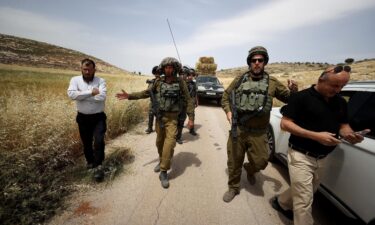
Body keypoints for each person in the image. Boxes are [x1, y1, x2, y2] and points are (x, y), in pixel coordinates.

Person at [271, 65, 367, 225]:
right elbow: (285, 124)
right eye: (334, 85)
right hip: (300, 156)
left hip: (323, 158)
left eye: (342, 86)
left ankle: (281, 202)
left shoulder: (341, 102)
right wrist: (316, 136)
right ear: (321, 79)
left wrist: (350, 135)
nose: (338, 90)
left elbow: (343, 126)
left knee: (308, 190)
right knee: (304, 200)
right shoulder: (301, 98)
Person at [221, 46, 298, 202]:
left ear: (265, 62)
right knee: (234, 161)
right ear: (249, 62)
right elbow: (225, 97)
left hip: (259, 132)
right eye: (254, 60)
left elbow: (290, 100)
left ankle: (250, 169)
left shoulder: (272, 82)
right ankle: (233, 187)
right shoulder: (240, 79)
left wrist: (294, 92)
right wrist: (229, 112)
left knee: (261, 162)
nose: (256, 63)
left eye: (260, 60)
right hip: (239, 129)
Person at [116, 57, 195, 188]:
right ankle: (161, 159)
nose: (169, 69)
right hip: (160, 118)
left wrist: (191, 118)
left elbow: (188, 100)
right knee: (159, 142)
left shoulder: (181, 82)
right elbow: (146, 93)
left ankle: (164, 171)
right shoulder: (158, 82)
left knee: (169, 144)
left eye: (171, 67)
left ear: (175, 69)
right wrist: (129, 96)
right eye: (166, 67)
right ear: (163, 69)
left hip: (172, 119)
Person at [67, 58, 107, 181]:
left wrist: (81, 95)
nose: (87, 72)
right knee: (86, 142)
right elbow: (71, 95)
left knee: (99, 141)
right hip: (83, 118)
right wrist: (91, 92)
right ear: (81, 69)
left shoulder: (101, 81)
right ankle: (90, 162)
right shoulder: (75, 80)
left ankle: (99, 166)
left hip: (98, 117)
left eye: (90, 69)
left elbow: (102, 97)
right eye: (85, 69)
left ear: (94, 69)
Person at [176, 67, 198, 144]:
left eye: (192, 75)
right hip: (180, 103)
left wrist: (196, 101)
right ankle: (177, 136)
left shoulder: (193, 84)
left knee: (191, 116)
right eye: (189, 75)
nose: (190, 76)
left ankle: (191, 130)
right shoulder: (181, 83)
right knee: (179, 119)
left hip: (190, 101)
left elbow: (195, 93)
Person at [145, 66, 161, 134]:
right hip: (153, 100)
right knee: (151, 113)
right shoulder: (153, 81)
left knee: (159, 115)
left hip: (160, 101)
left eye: (158, 73)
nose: (157, 74)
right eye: (155, 73)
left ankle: (160, 128)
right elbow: (148, 90)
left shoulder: (162, 81)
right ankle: (150, 128)